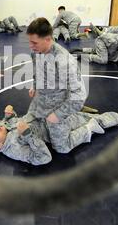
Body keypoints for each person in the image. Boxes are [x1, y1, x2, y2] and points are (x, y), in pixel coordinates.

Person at [0, 105, 118, 165]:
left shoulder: (2, 130)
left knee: (66, 142)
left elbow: (5, 123)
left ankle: (81, 114)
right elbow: (43, 157)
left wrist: (8, 115)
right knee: (63, 147)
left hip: (44, 115)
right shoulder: (13, 149)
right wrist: (28, 135)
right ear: (1, 146)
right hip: (53, 126)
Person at [26, 17, 87, 154]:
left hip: (60, 104)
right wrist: (34, 86)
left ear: (48, 39)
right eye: (29, 41)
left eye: (34, 42)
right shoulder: (36, 52)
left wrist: (58, 115)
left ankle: (90, 127)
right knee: (30, 130)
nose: (31, 46)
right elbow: (38, 72)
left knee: (62, 148)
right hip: (44, 99)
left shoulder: (64, 60)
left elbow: (79, 96)